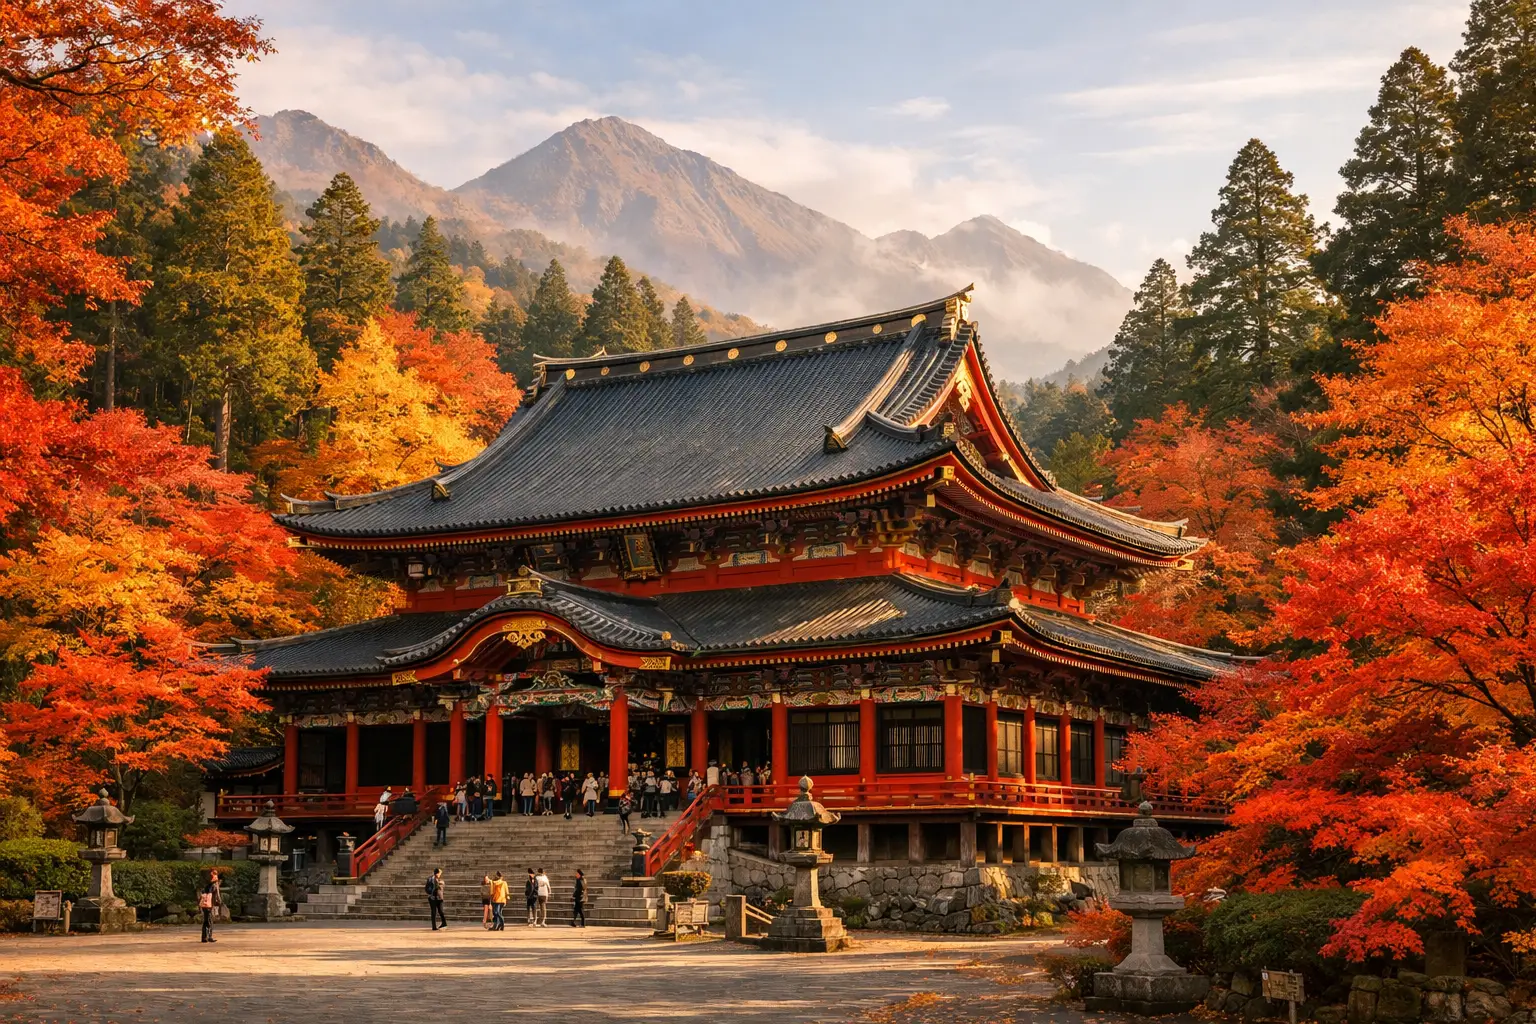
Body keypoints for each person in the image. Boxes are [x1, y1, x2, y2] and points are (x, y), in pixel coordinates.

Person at [198, 869, 221, 943]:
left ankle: (205, 937)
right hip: (208, 904)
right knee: (209, 921)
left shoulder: (207, 884)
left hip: (205, 904)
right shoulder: (212, 885)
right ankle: (208, 937)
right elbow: (213, 894)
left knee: (206, 921)